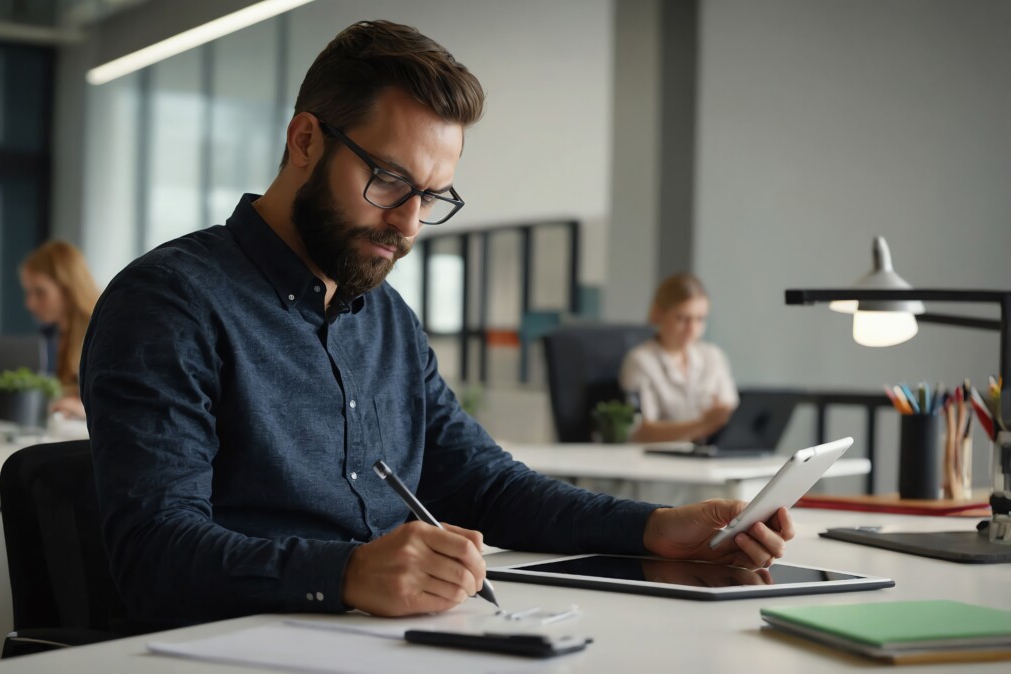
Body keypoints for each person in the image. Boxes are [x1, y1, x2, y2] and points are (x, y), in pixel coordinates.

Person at [82, 20, 792, 629]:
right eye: (389, 181)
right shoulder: (168, 303)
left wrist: (653, 529)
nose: (409, 223)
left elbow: (485, 485)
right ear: (305, 141)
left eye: (431, 195)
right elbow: (154, 553)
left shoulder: (386, 317)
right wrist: (348, 573)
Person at [620, 273, 739, 443]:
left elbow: (731, 413)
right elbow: (640, 432)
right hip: (660, 461)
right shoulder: (640, 361)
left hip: (710, 457)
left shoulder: (713, 356)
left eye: (700, 319)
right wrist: (702, 424)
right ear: (658, 314)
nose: (692, 329)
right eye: (683, 319)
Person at [19, 241, 99, 420]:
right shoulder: (49, 336)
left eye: (40, 292)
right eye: (28, 292)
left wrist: (82, 408)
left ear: (68, 288)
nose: (29, 304)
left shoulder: (102, 333)